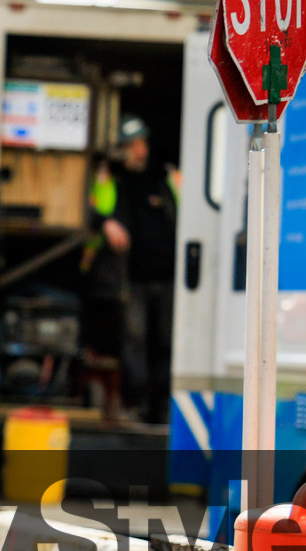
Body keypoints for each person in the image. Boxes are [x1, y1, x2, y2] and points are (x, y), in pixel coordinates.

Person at [87, 116, 179, 424]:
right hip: (131, 279)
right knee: (133, 342)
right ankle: (137, 403)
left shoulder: (164, 178)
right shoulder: (111, 181)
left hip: (169, 277)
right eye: (132, 145)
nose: (139, 151)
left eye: (141, 144)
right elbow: (92, 211)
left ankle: (163, 407)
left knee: (166, 342)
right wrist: (106, 223)